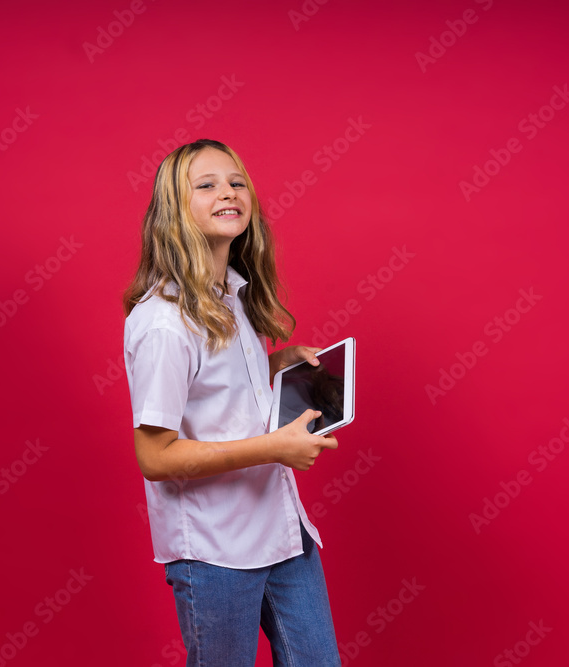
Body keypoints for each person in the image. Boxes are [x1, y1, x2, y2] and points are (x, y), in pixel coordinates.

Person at [122, 138, 343, 666]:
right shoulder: (163, 323)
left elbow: (213, 384)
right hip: (215, 552)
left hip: (282, 532)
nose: (229, 192)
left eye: (236, 182)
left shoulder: (230, 294)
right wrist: (274, 448)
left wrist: (277, 363)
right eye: (207, 184)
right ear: (175, 209)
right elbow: (155, 457)